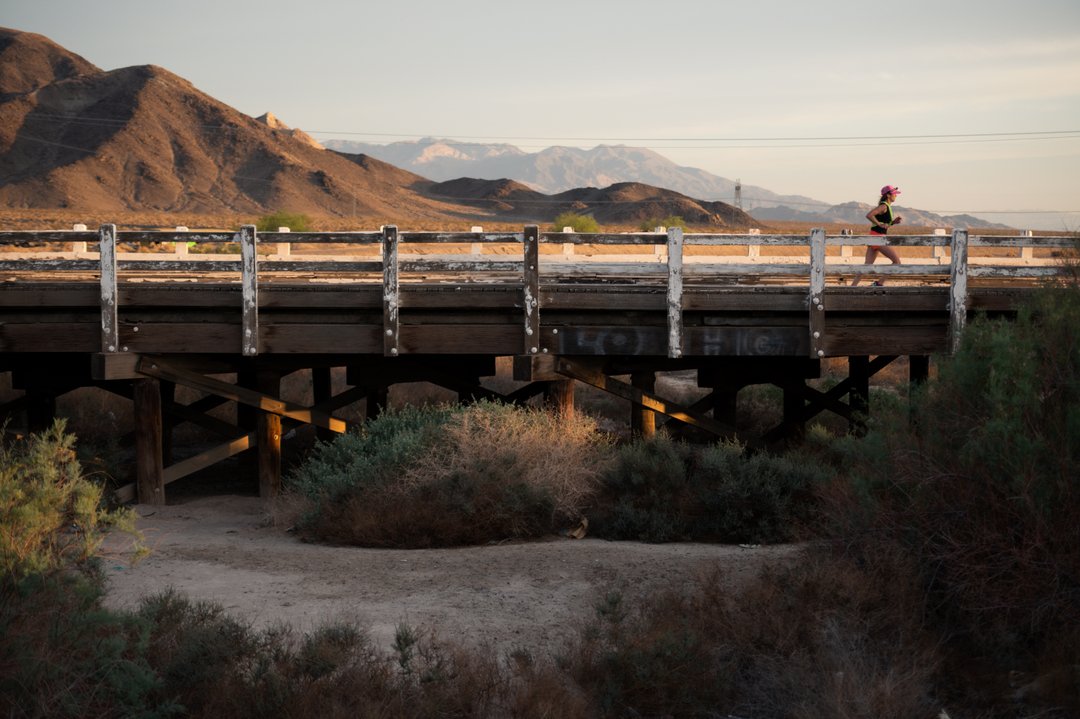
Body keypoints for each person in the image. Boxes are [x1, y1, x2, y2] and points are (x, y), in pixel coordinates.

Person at [852, 185, 903, 286]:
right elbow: (869, 215)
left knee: (867, 266)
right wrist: (879, 224)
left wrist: (893, 222)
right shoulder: (884, 206)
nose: (896, 196)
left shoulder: (886, 207)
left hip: (874, 237)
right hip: (878, 238)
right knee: (897, 262)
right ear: (888, 195)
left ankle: (852, 287)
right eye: (894, 194)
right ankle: (879, 283)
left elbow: (884, 225)